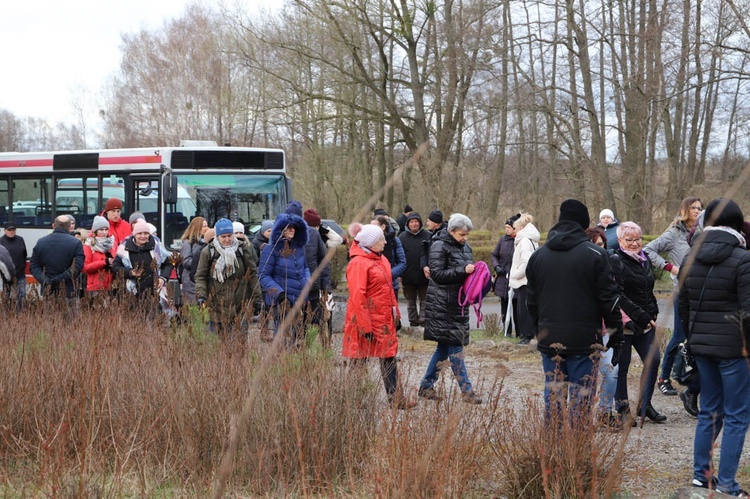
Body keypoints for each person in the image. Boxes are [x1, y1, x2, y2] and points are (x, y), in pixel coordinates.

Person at [526, 199, 623, 425]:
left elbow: (531, 303)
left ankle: (553, 453)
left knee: (554, 399)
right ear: (584, 223)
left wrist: (537, 331)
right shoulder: (596, 255)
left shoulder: (538, 256)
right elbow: (608, 300)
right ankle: (577, 458)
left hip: (549, 338)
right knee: (581, 403)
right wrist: (616, 335)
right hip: (585, 340)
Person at [678, 198, 750, 495]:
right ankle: (728, 484)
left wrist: (693, 338)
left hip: (702, 346)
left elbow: (683, 306)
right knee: (736, 415)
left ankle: (701, 476)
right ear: (737, 223)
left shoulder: (689, 256)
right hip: (735, 350)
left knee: (710, 411)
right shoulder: (744, 259)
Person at [344, 222, 415, 409]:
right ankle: (353, 400)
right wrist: (364, 327)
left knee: (388, 357)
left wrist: (396, 316)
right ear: (370, 243)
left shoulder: (381, 259)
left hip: (383, 319)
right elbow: (358, 297)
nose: (384, 242)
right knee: (359, 360)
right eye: (380, 239)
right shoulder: (358, 263)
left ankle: (396, 399)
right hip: (364, 320)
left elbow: (389, 291)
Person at [417, 213, 483, 405]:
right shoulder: (439, 245)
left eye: (467, 234)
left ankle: (426, 386)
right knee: (455, 347)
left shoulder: (466, 247)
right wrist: (463, 271)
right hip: (443, 305)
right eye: (462, 234)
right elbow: (436, 274)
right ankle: (467, 391)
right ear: (451, 231)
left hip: (459, 303)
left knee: (444, 348)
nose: (465, 238)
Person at [645, 196, 702, 398]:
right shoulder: (675, 233)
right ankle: (663, 378)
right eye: (694, 208)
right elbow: (648, 249)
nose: (697, 211)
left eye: (700, 208)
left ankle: (688, 377)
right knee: (679, 336)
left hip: (701, 292)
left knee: (695, 337)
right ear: (685, 209)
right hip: (682, 292)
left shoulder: (701, 232)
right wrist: (671, 267)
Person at [609, 221, 665, 424]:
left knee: (653, 361)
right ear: (620, 241)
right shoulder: (615, 260)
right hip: (624, 323)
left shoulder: (645, 259)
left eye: (637, 239)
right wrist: (637, 316)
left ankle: (645, 405)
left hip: (645, 322)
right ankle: (623, 408)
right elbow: (618, 295)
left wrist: (653, 310)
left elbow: (647, 290)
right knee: (621, 367)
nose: (634, 243)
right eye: (629, 240)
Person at [195, 218, 259, 341]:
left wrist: (257, 298)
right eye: (223, 236)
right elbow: (200, 276)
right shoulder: (208, 252)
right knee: (220, 346)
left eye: (229, 235)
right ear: (217, 236)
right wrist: (201, 295)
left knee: (239, 344)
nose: (227, 239)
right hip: (217, 306)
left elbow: (252, 274)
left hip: (240, 305)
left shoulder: (243, 249)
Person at [258, 204, 311, 347]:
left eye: (294, 227)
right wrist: (279, 294)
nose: (292, 230)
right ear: (281, 229)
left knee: (298, 339)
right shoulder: (271, 249)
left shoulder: (299, 248)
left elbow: (304, 267)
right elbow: (263, 275)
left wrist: (307, 281)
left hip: (299, 299)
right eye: (288, 227)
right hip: (282, 301)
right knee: (281, 339)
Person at [585, 226, 620, 428]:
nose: (601, 249)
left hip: (606, 331)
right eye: (596, 245)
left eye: (602, 245)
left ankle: (606, 411)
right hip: (586, 331)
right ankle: (584, 413)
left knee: (611, 373)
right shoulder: (580, 269)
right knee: (586, 376)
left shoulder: (610, 266)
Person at [112, 219, 174, 312]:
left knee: (157, 322)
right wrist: (130, 272)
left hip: (155, 293)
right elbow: (115, 267)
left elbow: (168, 263)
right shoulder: (124, 248)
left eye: (146, 233)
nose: (143, 236)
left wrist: (163, 278)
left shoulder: (157, 246)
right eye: (140, 233)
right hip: (132, 294)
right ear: (134, 234)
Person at [30, 215, 85, 299]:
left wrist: (45, 280)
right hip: (68, 289)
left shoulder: (41, 241)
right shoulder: (76, 243)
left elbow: (34, 266)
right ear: (69, 226)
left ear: (53, 226)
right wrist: (59, 279)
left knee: (49, 311)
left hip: (47, 289)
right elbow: (77, 267)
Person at [508, 213, 540, 344]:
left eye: (514, 229)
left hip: (524, 281)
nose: (514, 232)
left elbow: (526, 262)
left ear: (520, 228)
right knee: (526, 308)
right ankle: (527, 335)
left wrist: (514, 274)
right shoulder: (531, 240)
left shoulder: (525, 241)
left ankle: (527, 336)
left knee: (524, 310)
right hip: (528, 280)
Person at [398, 212, 432, 328]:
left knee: (425, 301)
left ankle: (423, 322)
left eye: (416, 222)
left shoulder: (428, 235)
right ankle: (413, 322)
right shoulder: (402, 237)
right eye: (412, 222)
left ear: (420, 223)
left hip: (423, 275)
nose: (414, 224)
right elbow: (398, 256)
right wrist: (399, 273)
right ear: (408, 224)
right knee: (410, 301)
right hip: (407, 275)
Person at [302, 208, 332, 327]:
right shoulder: (310, 236)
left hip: (315, 287)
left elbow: (338, 240)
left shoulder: (317, 236)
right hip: (310, 286)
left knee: (314, 321)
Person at [491, 213, 519, 333]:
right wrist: (496, 266)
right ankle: (506, 330)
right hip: (503, 278)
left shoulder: (520, 241)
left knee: (517, 307)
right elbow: (494, 255)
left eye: (509, 227)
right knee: (504, 305)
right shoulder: (502, 240)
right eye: (506, 227)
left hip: (516, 278)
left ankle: (520, 332)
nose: (506, 230)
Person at [373, 215, 406, 298]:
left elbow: (402, 262)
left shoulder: (394, 240)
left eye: (374, 226)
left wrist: (389, 274)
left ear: (383, 227)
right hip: (374, 285)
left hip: (391, 285)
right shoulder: (369, 242)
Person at [82, 216, 116, 294]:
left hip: (111, 286)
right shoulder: (88, 246)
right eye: (101, 230)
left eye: (106, 229)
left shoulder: (112, 243)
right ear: (95, 231)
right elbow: (85, 268)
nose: (104, 232)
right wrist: (105, 262)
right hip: (95, 288)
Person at [178, 216, 208, 304]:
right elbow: (186, 262)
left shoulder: (204, 243)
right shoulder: (187, 243)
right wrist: (200, 260)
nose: (206, 228)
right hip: (190, 283)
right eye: (204, 226)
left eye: (207, 225)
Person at [0, 222, 27, 307]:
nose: (12, 232)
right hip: (5, 276)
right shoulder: (1, 241)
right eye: (9, 230)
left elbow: (24, 255)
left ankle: (21, 315)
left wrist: (22, 267)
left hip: (20, 274)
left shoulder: (20, 239)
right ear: (4, 231)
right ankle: (6, 315)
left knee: (22, 296)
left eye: (13, 230)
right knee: (6, 297)